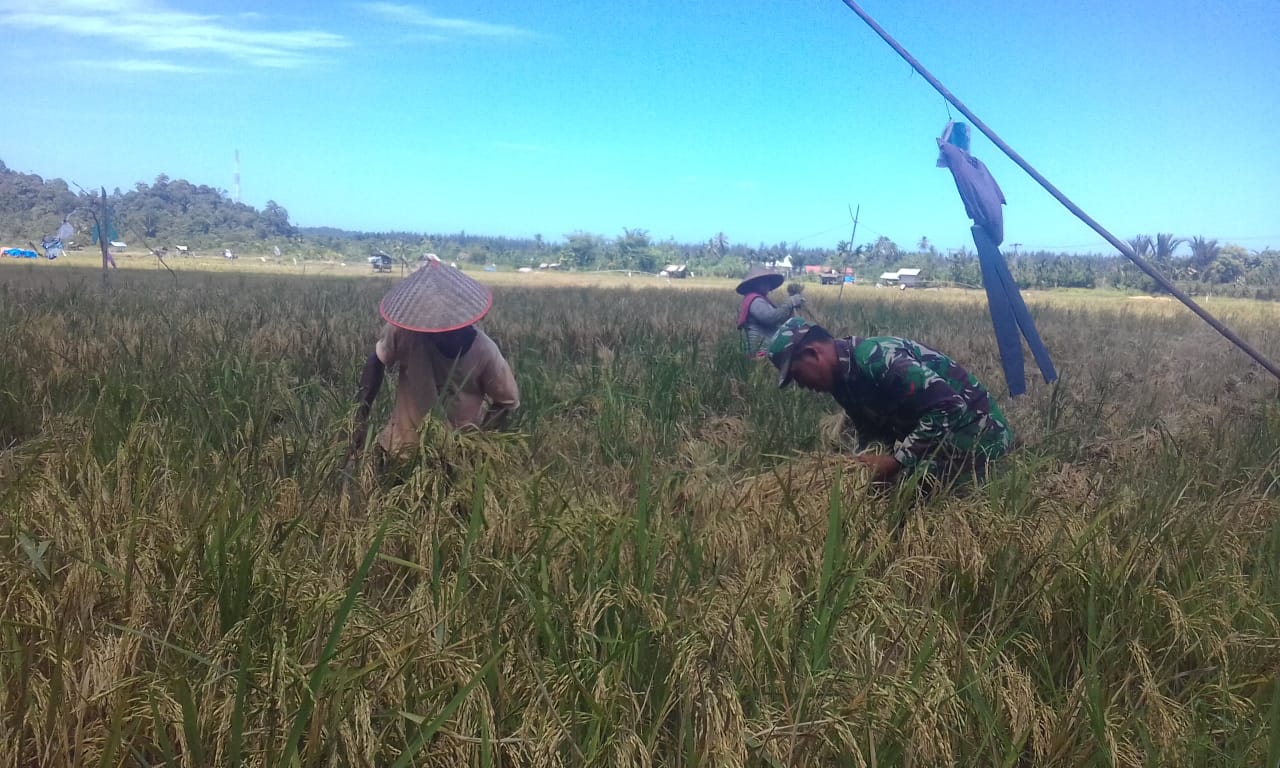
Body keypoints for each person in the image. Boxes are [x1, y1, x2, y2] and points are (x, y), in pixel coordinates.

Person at [766, 316, 1012, 488]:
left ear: (812, 353)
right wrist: (860, 466)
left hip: (978, 435)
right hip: (936, 438)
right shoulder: (840, 382)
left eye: (798, 375)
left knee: (915, 488)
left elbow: (948, 406)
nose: (802, 385)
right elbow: (869, 427)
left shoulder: (878, 358)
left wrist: (896, 461)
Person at [351, 259, 519, 460]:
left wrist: (476, 445)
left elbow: (506, 401)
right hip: (398, 446)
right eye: (432, 324)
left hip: (452, 454)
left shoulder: (485, 351)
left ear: (465, 320)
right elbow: (376, 361)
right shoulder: (405, 332)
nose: (439, 332)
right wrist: (359, 419)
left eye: (447, 328)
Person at [736, 265, 805, 357]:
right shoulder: (754, 300)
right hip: (761, 352)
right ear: (754, 283)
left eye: (768, 281)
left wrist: (791, 308)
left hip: (770, 349)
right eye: (763, 281)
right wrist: (790, 303)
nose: (767, 284)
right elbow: (770, 318)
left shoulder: (761, 299)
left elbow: (779, 318)